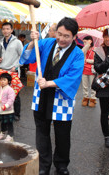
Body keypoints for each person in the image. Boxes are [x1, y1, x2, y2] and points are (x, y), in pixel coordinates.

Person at [20, 17, 84, 175]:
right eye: (59, 34)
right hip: (41, 96)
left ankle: (62, 164)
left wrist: (49, 83)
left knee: (62, 134)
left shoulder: (77, 54)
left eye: (66, 36)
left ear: (75, 36)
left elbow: (72, 77)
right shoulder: (47, 43)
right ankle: (43, 164)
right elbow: (28, 57)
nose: (61, 39)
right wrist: (32, 42)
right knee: (42, 133)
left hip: (61, 98)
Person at [0, 22, 23, 121]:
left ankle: (17, 114)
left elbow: (22, 57)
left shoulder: (17, 42)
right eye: (4, 29)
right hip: (3, 70)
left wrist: (16, 66)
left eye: (8, 29)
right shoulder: (1, 41)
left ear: (11, 30)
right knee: (3, 93)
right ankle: (5, 112)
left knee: (15, 94)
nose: (5, 31)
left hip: (13, 71)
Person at [0, 73, 16, 142]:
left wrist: (6, 106)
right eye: (1, 80)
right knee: (3, 122)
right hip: (0, 110)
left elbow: (11, 99)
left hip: (8, 110)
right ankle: (3, 132)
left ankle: (10, 135)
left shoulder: (10, 89)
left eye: (4, 80)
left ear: (8, 81)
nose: (2, 81)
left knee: (9, 123)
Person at [81, 35, 97, 107]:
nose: (84, 44)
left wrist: (88, 61)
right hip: (84, 70)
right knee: (85, 86)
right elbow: (81, 54)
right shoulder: (84, 49)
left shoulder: (95, 49)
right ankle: (85, 98)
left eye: (85, 42)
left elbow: (96, 60)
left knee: (92, 86)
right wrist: (87, 46)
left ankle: (93, 99)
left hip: (92, 70)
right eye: (83, 42)